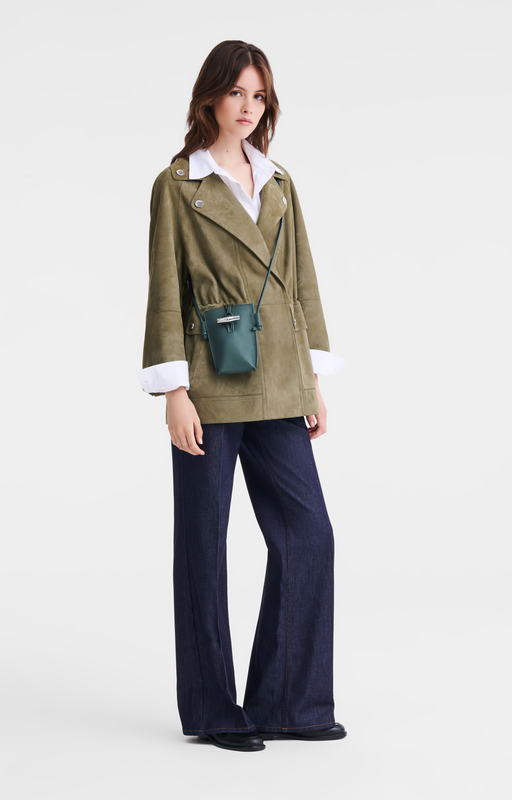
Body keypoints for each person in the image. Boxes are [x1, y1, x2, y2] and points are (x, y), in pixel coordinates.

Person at [136, 40, 347, 752]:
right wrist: (174, 391)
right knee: (204, 545)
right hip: (210, 383)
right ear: (211, 98)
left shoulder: (279, 181)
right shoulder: (179, 185)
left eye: (259, 96)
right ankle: (213, 709)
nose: (249, 107)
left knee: (309, 535)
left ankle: (290, 701)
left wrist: (312, 379)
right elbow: (166, 291)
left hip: (281, 380)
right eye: (236, 93)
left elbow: (302, 282)